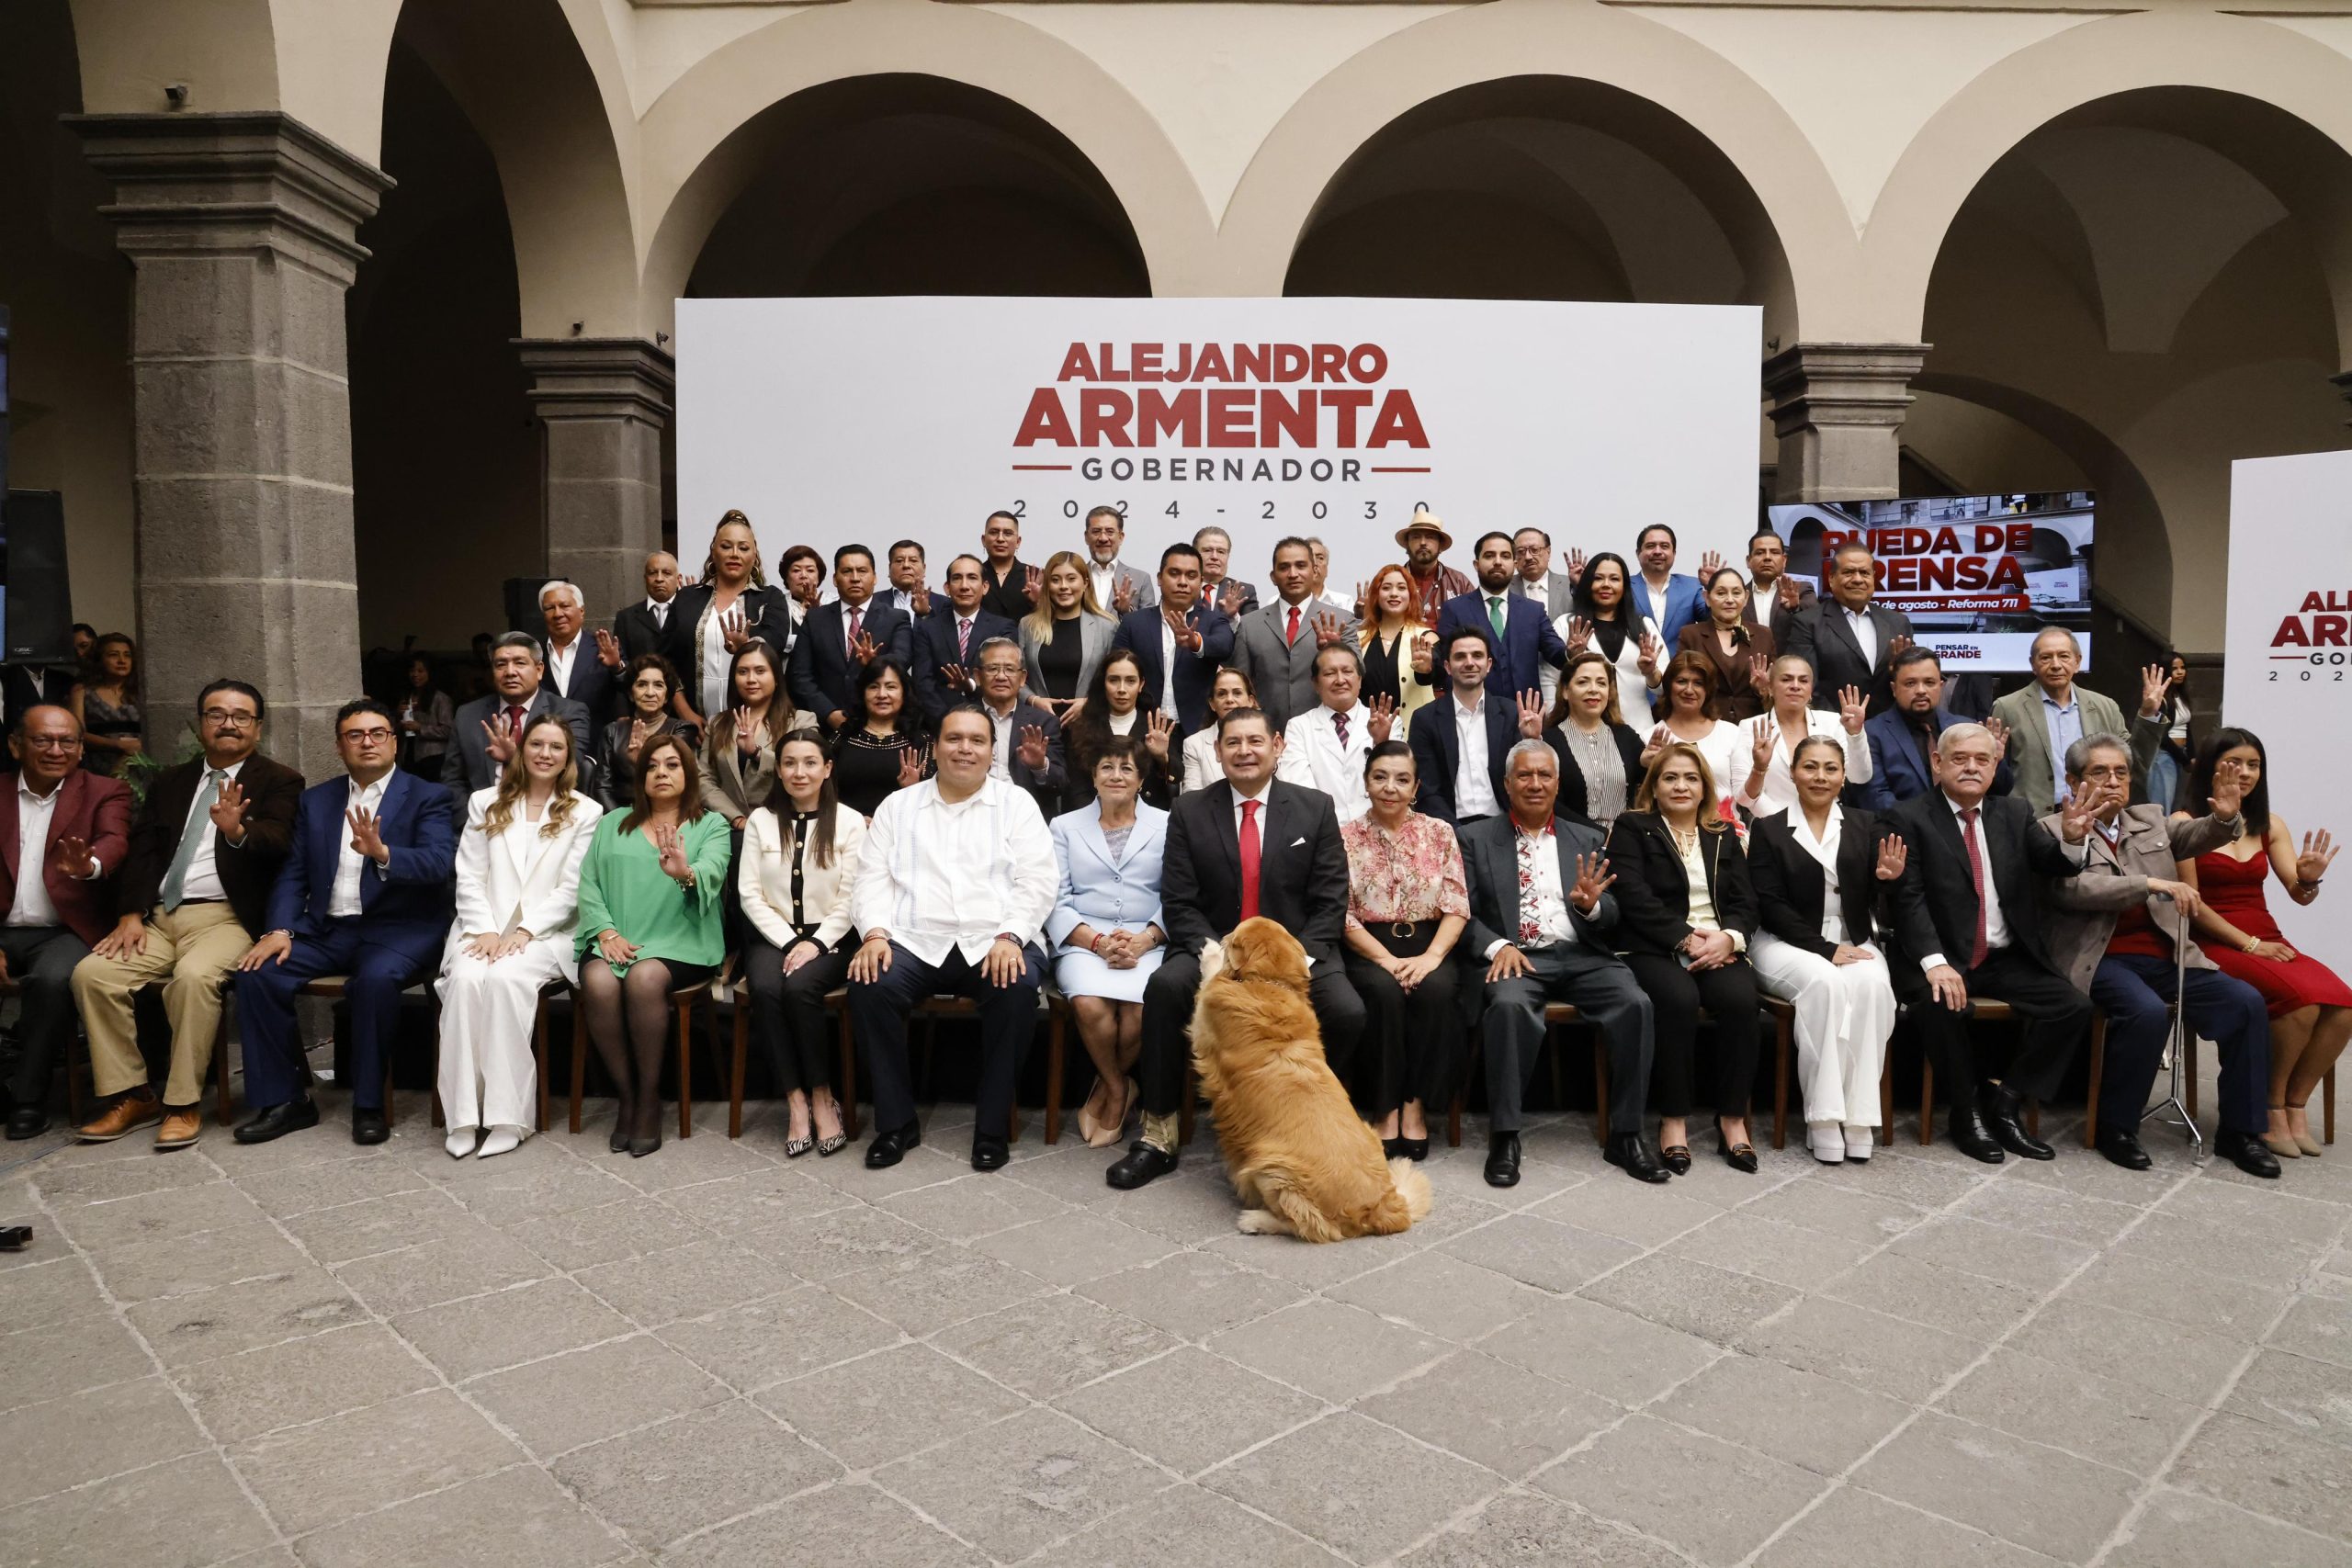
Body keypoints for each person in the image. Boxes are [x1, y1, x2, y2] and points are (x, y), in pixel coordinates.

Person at [1105, 705, 1366, 1190]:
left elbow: (1330, 900)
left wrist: (1291, 964)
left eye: (1255, 741)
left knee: (1348, 1012)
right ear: (1218, 751)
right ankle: (1159, 1134)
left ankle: (1307, 1124)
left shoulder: (1315, 807)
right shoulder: (1189, 810)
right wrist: (1218, 961)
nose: (1244, 751)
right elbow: (1179, 900)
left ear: (1277, 747)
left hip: (1294, 958)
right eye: (1233, 743)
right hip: (1213, 951)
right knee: (1163, 989)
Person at [70, 682, 302, 1150]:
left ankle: (182, 1103)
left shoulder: (280, 780)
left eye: (241, 716)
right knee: (93, 975)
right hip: (158, 917)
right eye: (217, 714)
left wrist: (238, 830)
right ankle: (132, 1094)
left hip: (226, 920)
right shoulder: (171, 782)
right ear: (201, 724)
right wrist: (130, 913)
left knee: (194, 980)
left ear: (257, 726)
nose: (229, 723)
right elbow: (142, 851)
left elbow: (280, 841)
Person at [2040, 732, 2274, 1176]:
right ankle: (2118, 1127)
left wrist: (2224, 820)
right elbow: (2071, 889)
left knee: (2245, 1003)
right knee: (2147, 1012)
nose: (2113, 781)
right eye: (2099, 772)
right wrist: (2148, 884)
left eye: (2121, 773)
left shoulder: (2149, 819)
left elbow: (2195, 834)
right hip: (2100, 958)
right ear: (2072, 780)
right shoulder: (2051, 829)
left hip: (2168, 954)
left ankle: (2241, 1133)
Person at [232, 699, 459, 1146]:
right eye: (355, 735)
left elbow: (439, 863)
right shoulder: (317, 800)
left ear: (394, 742)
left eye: (378, 733)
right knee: (257, 974)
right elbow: (294, 873)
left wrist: (384, 854)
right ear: (340, 747)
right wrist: (279, 929)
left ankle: (369, 1103)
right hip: (329, 929)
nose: (367, 742)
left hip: (401, 929)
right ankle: (287, 1100)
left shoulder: (428, 796)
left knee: (373, 983)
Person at [848, 703, 1056, 1171]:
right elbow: (871, 879)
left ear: (992, 751)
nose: (965, 749)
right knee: (870, 983)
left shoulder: (1017, 804)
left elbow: (1039, 881)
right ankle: (896, 1124)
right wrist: (875, 933)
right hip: (915, 939)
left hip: (994, 940)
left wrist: (1011, 935)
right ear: (934, 746)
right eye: (954, 739)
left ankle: (992, 1128)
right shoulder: (897, 807)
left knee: (1017, 988)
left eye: (977, 740)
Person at [1883, 722, 2097, 1163]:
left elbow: (2052, 863)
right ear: (1937, 763)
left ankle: (2006, 1099)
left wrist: (2073, 842)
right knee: (1942, 1004)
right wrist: (1935, 962)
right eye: (1960, 758)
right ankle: (1966, 1112)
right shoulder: (1907, 817)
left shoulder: (2013, 813)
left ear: (1995, 765)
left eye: (1983, 760)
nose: (1971, 768)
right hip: (1939, 955)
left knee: (2073, 1006)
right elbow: (1909, 900)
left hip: (2002, 956)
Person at [1460, 739, 1660, 1185]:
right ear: (1507, 783)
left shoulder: (1586, 837)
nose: (1535, 784)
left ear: (1558, 782)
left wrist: (1591, 907)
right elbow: (1461, 913)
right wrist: (1497, 946)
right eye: (1525, 776)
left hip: (1582, 954)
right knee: (1509, 1008)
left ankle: (1626, 1135)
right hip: (1518, 957)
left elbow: (1612, 916)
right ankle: (1505, 1135)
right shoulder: (1473, 838)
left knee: (1635, 1004)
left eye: (1544, 775)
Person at [2178, 729, 2352, 1160]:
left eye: (2253, 764)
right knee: (2301, 1002)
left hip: (2266, 936)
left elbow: (2298, 891)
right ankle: (2271, 1110)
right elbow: (2193, 905)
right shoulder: (2184, 823)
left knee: (2344, 1003)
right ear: (2211, 768)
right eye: (2234, 762)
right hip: (2214, 939)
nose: (2245, 772)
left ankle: (2295, 1108)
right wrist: (2249, 945)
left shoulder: (2269, 823)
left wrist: (2309, 878)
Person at [435, 714, 602, 1159]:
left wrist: (526, 930)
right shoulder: (485, 802)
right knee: (466, 982)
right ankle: (464, 1117)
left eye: (556, 747)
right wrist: (486, 929)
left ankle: (510, 1118)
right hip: (482, 927)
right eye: (537, 745)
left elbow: (573, 887)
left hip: (547, 933)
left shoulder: (586, 811)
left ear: (568, 757)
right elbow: (469, 874)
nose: (545, 754)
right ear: (521, 750)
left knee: (508, 982)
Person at [1606, 744, 1763, 1173]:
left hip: (1718, 944)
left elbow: (1746, 901)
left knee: (1740, 1001)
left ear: (1704, 788)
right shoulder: (1632, 827)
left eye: (1690, 778)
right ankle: (1673, 1120)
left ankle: (1732, 1119)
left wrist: (1729, 940)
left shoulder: (1722, 832)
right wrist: (1686, 939)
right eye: (1670, 777)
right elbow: (1633, 897)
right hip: (1652, 944)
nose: (1681, 786)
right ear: (1654, 787)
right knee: (1675, 1000)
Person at [1747, 735, 1904, 1163]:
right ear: (1794, 772)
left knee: (1872, 987)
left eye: (1831, 768)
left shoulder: (1866, 824)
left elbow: (1876, 895)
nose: (1820, 776)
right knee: (1825, 984)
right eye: (1811, 766)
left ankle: (1858, 1117)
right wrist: (1823, 948)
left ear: (1843, 775)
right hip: (1784, 942)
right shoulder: (1769, 828)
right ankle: (1822, 1117)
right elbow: (1770, 904)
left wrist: (1887, 880)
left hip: (1853, 939)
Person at [575, 732, 730, 1156]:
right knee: (599, 981)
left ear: (689, 773)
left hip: (683, 940)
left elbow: (711, 873)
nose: (661, 772)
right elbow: (588, 884)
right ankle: (627, 1095)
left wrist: (683, 872)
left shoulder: (711, 824)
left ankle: (649, 1098)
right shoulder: (613, 822)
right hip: (618, 937)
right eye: (652, 766)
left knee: (644, 979)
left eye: (672, 765)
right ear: (641, 776)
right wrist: (606, 933)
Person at [0, 708, 130, 1139]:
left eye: (67, 742)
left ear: (79, 749)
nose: (56, 750)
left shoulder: (105, 791)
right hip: (4, 927)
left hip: (65, 930)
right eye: (43, 741)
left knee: (52, 980)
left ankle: (27, 1099)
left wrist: (89, 865)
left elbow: (114, 840)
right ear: (17, 745)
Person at [741, 729, 865, 1158]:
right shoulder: (760, 819)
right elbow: (749, 894)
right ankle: (795, 1100)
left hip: (831, 937)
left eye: (810, 762)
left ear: (827, 769)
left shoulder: (849, 821)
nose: (799, 772)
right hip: (771, 935)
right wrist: (789, 940)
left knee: (799, 988)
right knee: (767, 987)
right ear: (779, 769)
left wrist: (814, 942)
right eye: (790, 763)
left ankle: (822, 1095)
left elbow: (852, 897)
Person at [1342, 741, 1467, 1161]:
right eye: (1380, 777)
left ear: (1416, 787)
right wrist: (1386, 960)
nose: (1390, 787)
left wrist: (1431, 958)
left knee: (1435, 992)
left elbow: (1456, 905)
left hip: (1430, 941)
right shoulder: (1345, 837)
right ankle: (1386, 1108)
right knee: (1383, 995)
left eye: (1401, 779)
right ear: (1366, 783)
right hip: (1369, 945)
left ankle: (1414, 1105)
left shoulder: (1440, 832)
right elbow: (1341, 914)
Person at [1046, 736, 1168, 1148]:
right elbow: (1055, 900)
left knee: (1141, 1008)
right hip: (1084, 937)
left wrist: (1146, 939)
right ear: (1093, 776)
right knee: (1088, 1003)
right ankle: (1118, 1088)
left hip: (1147, 937)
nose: (1116, 776)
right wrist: (1097, 942)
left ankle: (1104, 1086)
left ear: (1140, 780)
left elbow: (1179, 894)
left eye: (1126, 769)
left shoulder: (1168, 824)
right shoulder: (1064, 826)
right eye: (1107, 768)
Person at [1987, 629, 2165, 815]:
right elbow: (1994, 772)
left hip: (2094, 815)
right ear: (2033, 664)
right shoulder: (2008, 708)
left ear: (2077, 662)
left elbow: (2134, 763)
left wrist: (2148, 714)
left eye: (2064, 656)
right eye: (2046, 658)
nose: (2056, 665)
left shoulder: (2104, 707)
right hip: (2032, 820)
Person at [1854, 647, 2014, 810]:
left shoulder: (1966, 727)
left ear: (1941, 685)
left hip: (1965, 827)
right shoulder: (1871, 733)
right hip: (1903, 830)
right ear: (1894, 689)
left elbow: (2001, 792)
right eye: (1910, 683)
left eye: (1929, 682)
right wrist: (1927, 826)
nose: (1921, 691)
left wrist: (1996, 762)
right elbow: (1875, 798)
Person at [442, 632, 594, 803]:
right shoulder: (467, 715)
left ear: (539, 670)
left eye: (520, 663)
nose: (510, 672)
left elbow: (568, 772)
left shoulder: (568, 713)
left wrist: (514, 758)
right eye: (501, 665)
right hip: (482, 819)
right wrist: (473, 819)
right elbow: (452, 780)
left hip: (548, 817)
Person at [673, 511, 795, 724]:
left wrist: (746, 646)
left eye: (743, 548)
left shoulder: (770, 597)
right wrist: (686, 715)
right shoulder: (686, 597)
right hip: (692, 723)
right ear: (714, 551)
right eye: (726, 546)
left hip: (754, 722)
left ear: (754, 554)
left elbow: (775, 643)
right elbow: (666, 660)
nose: (734, 554)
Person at [786, 544, 914, 731]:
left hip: (879, 725)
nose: (855, 578)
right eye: (847, 571)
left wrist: (875, 662)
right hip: (824, 727)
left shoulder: (896, 618)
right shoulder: (815, 618)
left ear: (875, 577)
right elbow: (799, 675)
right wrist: (829, 713)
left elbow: (902, 662)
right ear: (835, 579)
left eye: (862, 571)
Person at [1231, 536, 1352, 734]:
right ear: (1273, 576)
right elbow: (1240, 686)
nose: (1293, 574)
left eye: (1301, 566)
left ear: (1314, 571)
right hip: (1265, 736)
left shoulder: (1342, 620)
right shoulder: (1249, 625)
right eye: (1284, 567)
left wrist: (1334, 652)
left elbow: (1359, 674)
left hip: (1327, 733)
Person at [1113, 542, 1235, 733]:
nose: (1183, 582)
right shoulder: (1133, 622)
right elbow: (1113, 669)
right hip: (1143, 729)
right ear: (1160, 578)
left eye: (1191, 576)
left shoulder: (1215, 619)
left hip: (1199, 731)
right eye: (1175, 573)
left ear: (1201, 581)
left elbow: (1224, 646)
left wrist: (1196, 642)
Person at [1732, 654, 1871, 819]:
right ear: (1770, 688)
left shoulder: (1833, 722)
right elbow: (1743, 796)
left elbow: (1860, 777)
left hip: (1828, 823)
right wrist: (1784, 824)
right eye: (1786, 679)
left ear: (1811, 690)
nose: (1795, 686)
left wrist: (1855, 734)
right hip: (1771, 826)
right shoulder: (1750, 726)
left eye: (1803, 681)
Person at [1781, 543, 1913, 716]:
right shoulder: (1808, 623)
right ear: (1831, 578)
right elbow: (1806, 685)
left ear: (1873, 578)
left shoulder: (1898, 622)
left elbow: (1910, 681)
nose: (1858, 579)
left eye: (1864, 573)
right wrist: (1837, 724)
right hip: (1833, 730)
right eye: (1849, 572)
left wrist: (1899, 671)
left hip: (1888, 732)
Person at [1437, 531, 1568, 702]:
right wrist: (1425, 667)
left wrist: (1572, 652)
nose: (1498, 562)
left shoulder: (1533, 610)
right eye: (1489, 556)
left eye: (1505, 556)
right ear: (1476, 564)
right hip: (1471, 716)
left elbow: (1557, 655)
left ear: (1514, 564)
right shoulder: (1455, 609)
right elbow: (1443, 664)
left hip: (1526, 718)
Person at [1408, 628, 1517, 827]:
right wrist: (1454, 833)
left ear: (1489, 665)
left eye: (1477, 655)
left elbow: (1521, 779)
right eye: (1460, 657)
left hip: (1506, 826)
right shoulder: (1424, 719)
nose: (1469, 663)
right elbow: (1427, 790)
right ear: (1448, 667)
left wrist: (1533, 739)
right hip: (1450, 829)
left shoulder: (1511, 713)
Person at [1276, 642, 1391, 823]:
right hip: (1322, 833)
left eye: (1347, 671)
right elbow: (1299, 788)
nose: (1340, 680)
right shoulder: (1298, 727)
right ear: (1315, 683)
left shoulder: (1389, 721)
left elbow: (1396, 781)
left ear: (1360, 679)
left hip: (1378, 828)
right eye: (1329, 673)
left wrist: (1381, 743)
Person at [1534, 650, 1646, 831]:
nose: (1593, 689)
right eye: (1583, 682)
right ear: (1565, 691)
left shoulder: (1626, 737)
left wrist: (1651, 765)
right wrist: (1597, 834)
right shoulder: (1549, 741)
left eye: (1601, 683)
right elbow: (1550, 804)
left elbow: (1648, 791)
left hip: (1624, 843)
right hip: (1571, 840)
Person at [1637, 651, 1746, 826]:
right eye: (1681, 681)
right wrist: (1647, 765)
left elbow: (1744, 796)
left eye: (1698, 683)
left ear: (1708, 690)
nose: (1689, 690)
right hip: (1666, 837)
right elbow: (1645, 801)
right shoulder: (1649, 737)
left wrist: (1760, 768)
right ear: (1669, 686)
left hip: (1726, 834)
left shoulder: (1731, 733)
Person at [1063, 649, 1177, 813]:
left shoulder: (1160, 726)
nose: (1122, 689)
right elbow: (1076, 788)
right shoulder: (1081, 726)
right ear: (1103, 683)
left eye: (1130, 681)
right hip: (1093, 819)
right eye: (1114, 680)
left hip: (1147, 819)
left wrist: (1162, 758)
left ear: (1141, 684)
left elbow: (1177, 777)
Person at [1555, 550, 1660, 728]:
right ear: (1588, 583)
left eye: (1614, 579)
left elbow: (1665, 688)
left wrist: (1651, 672)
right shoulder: (1567, 624)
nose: (1606, 585)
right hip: (1581, 731)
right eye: (1598, 578)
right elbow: (1550, 680)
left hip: (1639, 730)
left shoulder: (1645, 626)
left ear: (1624, 586)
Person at [910, 554, 1017, 725]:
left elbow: (1004, 676)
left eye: (972, 578)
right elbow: (923, 683)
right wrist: (947, 721)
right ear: (947, 588)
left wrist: (972, 684)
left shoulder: (1003, 628)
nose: (964, 586)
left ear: (985, 587)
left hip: (991, 721)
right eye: (957, 578)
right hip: (939, 724)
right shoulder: (928, 628)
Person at [971, 637, 1066, 818]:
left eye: (1009, 669)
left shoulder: (1043, 723)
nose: (1001, 676)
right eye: (992, 669)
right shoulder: (961, 719)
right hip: (973, 812)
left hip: (1024, 817)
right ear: (978, 676)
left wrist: (1040, 766)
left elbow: (1060, 783)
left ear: (1022, 678)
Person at [1018, 550, 1117, 719]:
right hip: (1039, 725)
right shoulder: (1028, 625)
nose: (1064, 586)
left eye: (1071, 579)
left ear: (1085, 583)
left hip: (1090, 726)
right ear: (1047, 585)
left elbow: (1117, 680)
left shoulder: (1107, 626)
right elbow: (1016, 676)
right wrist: (1034, 700)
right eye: (1055, 580)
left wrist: (1090, 702)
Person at [700, 639, 787, 830]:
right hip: (727, 828)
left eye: (760, 671)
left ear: (776, 677)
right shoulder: (717, 723)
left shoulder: (800, 721)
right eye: (742, 672)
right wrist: (737, 819)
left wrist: (756, 753)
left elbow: (801, 770)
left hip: (780, 826)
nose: (751, 679)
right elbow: (703, 778)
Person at [832, 658, 933, 818]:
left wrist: (913, 788)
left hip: (899, 831)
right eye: (873, 687)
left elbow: (932, 802)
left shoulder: (920, 740)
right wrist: (854, 821)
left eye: (891, 687)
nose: (882, 695)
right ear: (862, 693)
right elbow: (823, 791)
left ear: (904, 693)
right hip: (846, 831)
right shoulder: (843, 736)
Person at [1676, 567, 1771, 724]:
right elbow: (1680, 681)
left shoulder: (1764, 635)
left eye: (1736, 593)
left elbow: (1777, 686)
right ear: (1707, 597)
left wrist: (1763, 689)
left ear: (1746, 597)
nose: (1730, 599)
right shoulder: (1690, 634)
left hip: (1753, 724)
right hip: (1705, 723)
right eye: (1721, 593)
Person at [601, 653, 694, 810]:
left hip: (666, 812)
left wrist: (642, 760)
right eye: (642, 684)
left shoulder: (682, 730)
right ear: (631, 694)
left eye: (658, 685)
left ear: (666, 696)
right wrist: (619, 822)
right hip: (619, 817)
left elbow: (680, 783)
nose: (650, 692)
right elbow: (602, 787)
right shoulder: (612, 731)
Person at [1354, 563, 1438, 723]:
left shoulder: (1426, 637)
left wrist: (1428, 669)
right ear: (1376, 595)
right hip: (1365, 734)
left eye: (1401, 588)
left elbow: (1441, 674)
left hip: (1415, 735)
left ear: (1411, 595)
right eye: (1386, 588)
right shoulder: (1357, 638)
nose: (1394, 594)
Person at [538, 581, 615, 746]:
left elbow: (629, 689)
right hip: (546, 750)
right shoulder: (534, 655)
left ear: (581, 611)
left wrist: (617, 667)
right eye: (550, 608)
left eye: (564, 606)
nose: (557, 614)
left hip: (595, 750)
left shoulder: (603, 648)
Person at [1629, 524, 1713, 648]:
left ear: (1674, 553)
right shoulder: (1624, 586)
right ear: (1638, 553)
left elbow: (1711, 621)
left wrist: (1714, 588)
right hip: (1636, 664)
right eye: (1650, 546)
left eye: (1664, 546)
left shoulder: (1691, 586)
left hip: (1680, 664)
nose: (1657, 551)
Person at [72, 633, 143, 779]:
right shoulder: (82, 691)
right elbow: (76, 734)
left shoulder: (142, 692)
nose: (122, 660)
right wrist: (117, 745)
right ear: (99, 659)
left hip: (139, 765)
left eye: (127, 655)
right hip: (96, 766)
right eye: (113, 655)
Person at [611, 549, 692, 673]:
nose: (659, 579)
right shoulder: (626, 618)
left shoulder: (690, 612)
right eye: (653, 573)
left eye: (666, 573)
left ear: (678, 578)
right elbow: (622, 662)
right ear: (645, 578)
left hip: (684, 691)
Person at [1178, 667, 1254, 795]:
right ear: (1212, 704)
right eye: (1222, 694)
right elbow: (1191, 798)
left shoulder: (1268, 738)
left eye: (1237, 693)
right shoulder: (1194, 744)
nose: (1230, 699)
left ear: (1250, 701)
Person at [1397, 509, 1474, 626]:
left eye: (1430, 537)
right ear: (1407, 544)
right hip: (1403, 644)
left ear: (1440, 545)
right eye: (1416, 537)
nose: (1423, 542)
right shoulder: (1393, 580)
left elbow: (1476, 624)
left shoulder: (1459, 582)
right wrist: (1361, 615)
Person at [1743, 527, 1815, 642]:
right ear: (1748, 561)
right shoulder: (1737, 595)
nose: (1767, 557)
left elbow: (1816, 626)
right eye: (1760, 552)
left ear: (1784, 560)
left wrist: (1795, 608)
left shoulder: (1802, 590)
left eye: (1774, 552)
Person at [1083, 505, 1156, 614]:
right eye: (1096, 531)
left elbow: (1148, 626)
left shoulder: (1141, 579)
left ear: (1121, 537)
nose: (1103, 538)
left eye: (1109, 532)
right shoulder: (1074, 577)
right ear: (1086, 537)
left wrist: (1127, 611)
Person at [2148, 653, 2194, 814]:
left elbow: (2188, 728)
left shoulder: (2181, 696)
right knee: (2162, 805)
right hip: (2165, 756)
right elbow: (2161, 736)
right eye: (2175, 669)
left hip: (2180, 756)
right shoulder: (2161, 699)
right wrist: (2185, 759)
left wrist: (2191, 756)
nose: (2180, 672)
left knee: (2177, 805)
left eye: (2183, 668)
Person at [396, 654, 456, 780]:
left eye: (420, 671)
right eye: (412, 671)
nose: (415, 675)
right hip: (408, 754)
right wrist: (399, 716)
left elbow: (448, 731)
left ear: (430, 673)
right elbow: (395, 729)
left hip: (433, 758)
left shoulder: (441, 699)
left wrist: (420, 728)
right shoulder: (406, 696)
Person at [979, 509, 1041, 620]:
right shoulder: (973, 575)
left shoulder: (1036, 576)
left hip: (1025, 637)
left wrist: (1037, 603)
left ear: (1018, 542)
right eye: (994, 532)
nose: (1000, 539)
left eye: (1008, 533)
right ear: (984, 540)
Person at [1510, 526, 1577, 618]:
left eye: (1535, 550)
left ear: (1548, 552)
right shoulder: (1505, 588)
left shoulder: (1570, 585)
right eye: (1521, 552)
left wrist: (1580, 586)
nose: (1528, 557)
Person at [1193, 525, 1258, 617]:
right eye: (1207, 550)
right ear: (1194, 554)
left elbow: (1251, 631)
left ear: (1228, 556)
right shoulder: (1181, 587)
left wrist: (1233, 617)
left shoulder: (1244, 592)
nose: (1214, 557)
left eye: (1221, 552)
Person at [775, 542, 827, 656]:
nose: (803, 575)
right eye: (796, 570)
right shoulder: (776, 605)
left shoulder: (834, 603)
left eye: (810, 570)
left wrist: (817, 613)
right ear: (786, 577)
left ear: (819, 576)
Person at [880, 539, 929, 618]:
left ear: (924, 568)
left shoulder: (944, 604)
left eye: (913, 560)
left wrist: (924, 615)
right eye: (899, 561)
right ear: (889, 568)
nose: (906, 565)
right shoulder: (872, 602)